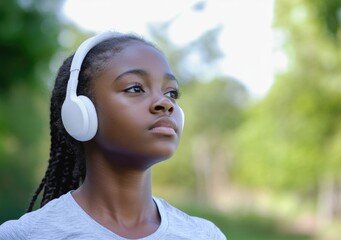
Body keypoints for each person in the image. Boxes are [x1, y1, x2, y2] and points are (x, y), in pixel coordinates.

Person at [0, 31, 226, 240]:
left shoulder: (205, 235)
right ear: (80, 114)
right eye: (136, 88)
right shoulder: (24, 235)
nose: (165, 103)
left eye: (171, 92)